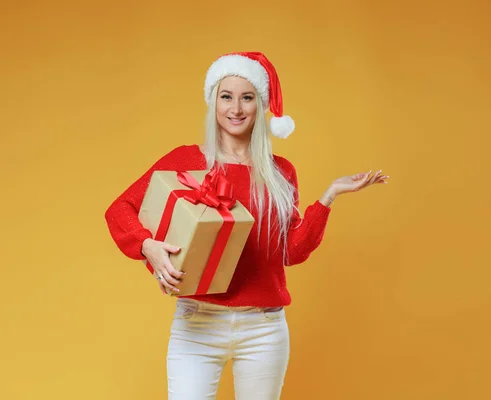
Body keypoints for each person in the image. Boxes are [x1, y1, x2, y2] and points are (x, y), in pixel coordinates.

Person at [104, 51, 388, 400]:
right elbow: (120, 210)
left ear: (260, 105)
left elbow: (291, 252)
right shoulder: (187, 160)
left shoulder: (280, 172)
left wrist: (329, 197)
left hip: (264, 328)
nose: (236, 108)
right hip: (198, 322)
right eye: (226, 96)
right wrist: (147, 246)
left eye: (247, 97)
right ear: (214, 102)